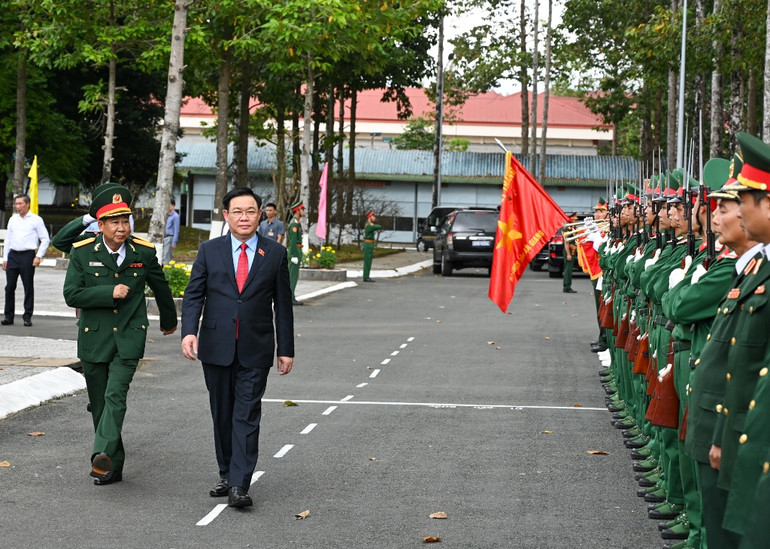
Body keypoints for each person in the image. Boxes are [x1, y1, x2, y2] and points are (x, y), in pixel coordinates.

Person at [181, 187, 294, 509]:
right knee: (222, 413)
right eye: (237, 211)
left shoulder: (274, 253)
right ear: (226, 215)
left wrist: (285, 348)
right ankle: (226, 472)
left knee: (247, 414)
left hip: (256, 347)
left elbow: (282, 306)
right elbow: (194, 295)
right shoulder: (209, 250)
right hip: (215, 345)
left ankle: (240, 485)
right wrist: (189, 331)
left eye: (250, 211)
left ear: (261, 215)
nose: (244, 217)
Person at [62, 183, 178, 486]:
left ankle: (100, 453)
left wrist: (169, 319)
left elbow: (160, 286)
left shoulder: (143, 251)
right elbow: (72, 295)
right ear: (100, 225)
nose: (122, 227)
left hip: (129, 336)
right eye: (114, 221)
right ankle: (113, 465)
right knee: (99, 404)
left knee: (115, 396)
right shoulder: (83, 252)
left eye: (125, 220)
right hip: (94, 338)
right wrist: (107, 292)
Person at [2, 194, 50, 327]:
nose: (18, 207)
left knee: (28, 286)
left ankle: (27, 316)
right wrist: (5, 258)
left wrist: (38, 256)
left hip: (27, 255)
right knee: (9, 287)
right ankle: (8, 316)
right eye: (16, 204)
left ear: (27, 204)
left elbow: (45, 239)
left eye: (20, 204)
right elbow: (8, 240)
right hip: (13, 255)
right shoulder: (13, 219)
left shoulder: (36, 220)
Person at [286, 201, 305, 305]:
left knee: (294, 275)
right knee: (292, 276)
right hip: (295, 251)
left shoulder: (297, 222)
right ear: (298, 210)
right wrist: (293, 254)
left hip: (297, 250)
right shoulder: (294, 223)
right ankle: (290, 297)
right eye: (302, 209)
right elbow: (293, 240)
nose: (304, 211)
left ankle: (291, 296)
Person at [362, 211, 381, 283]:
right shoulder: (369, 225)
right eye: (373, 216)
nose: (374, 218)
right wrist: (373, 224)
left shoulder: (369, 224)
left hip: (370, 244)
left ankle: (367, 276)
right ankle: (366, 277)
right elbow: (378, 226)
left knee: (369, 261)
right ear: (369, 217)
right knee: (367, 261)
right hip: (368, 244)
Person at [562, 214, 578, 293]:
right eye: (574, 220)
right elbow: (566, 242)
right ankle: (567, 287)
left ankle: (568, 286)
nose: (575, 221)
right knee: (568, 270)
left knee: (569, 269)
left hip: (572, 250)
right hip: (568, 250)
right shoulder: (567, 228)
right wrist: (568, 254)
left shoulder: (572, 228)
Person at [163, 198, 180, 265]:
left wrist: (174, 242)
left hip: (169, 238)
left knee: (166, 257)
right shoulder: (166, 215)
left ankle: (166, 271)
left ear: (173, 205)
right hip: (163, 238)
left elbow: (176, 230)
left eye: (169, 205)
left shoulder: (175, 216)